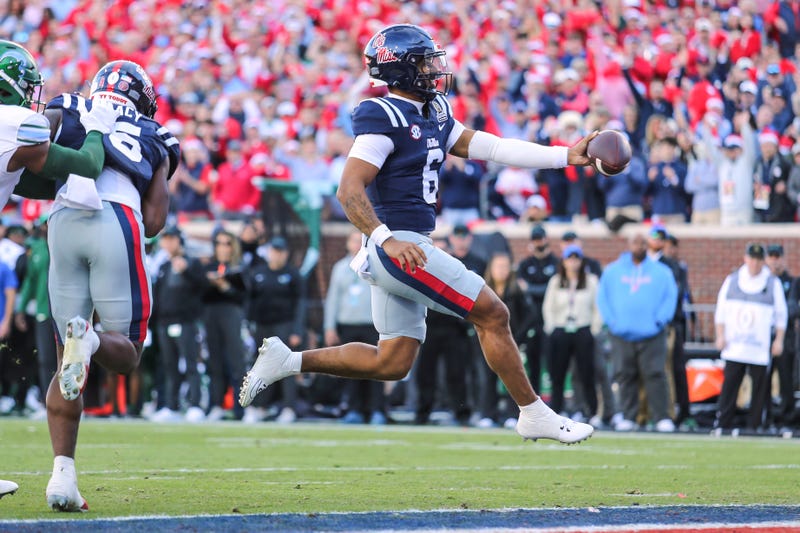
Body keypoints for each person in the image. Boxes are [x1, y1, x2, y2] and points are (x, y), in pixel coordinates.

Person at [240, 24, 595, 444]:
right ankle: (532, 412)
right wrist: (387, 238)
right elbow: (348, 189)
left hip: (401, 246)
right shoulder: (382, 115)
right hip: (397, 246)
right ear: (402, 69)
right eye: (426, 62)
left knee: (391, 362)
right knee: (493, 313)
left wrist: (565, 156)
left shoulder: (436, 112)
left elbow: (493, 148)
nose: (435, 69)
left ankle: (288, 360)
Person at [42, 59, 180, 512]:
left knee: (66, 362)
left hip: (62, 220)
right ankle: (93, 336)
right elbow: (156, 221)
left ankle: (63, 475)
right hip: (116, 218)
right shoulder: (154, 133)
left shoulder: (69, 104)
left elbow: (33, 145)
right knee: (125, 353)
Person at [0, 40, 118, 206]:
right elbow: (87, 168)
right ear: (5, 89)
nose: (30, 98)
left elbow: (25, 184)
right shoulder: (16, 123)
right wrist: (97, 128)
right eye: (28, 90)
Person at [597, 233, 678, 433]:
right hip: (621, 333)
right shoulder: (613, 270)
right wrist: (612, 322)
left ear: (647, 246)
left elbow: (670, 296)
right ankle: (628, 416)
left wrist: (661, 319)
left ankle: (661, 417)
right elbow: (602, 297)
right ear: (628, 245)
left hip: (652, 333)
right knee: (625, 375)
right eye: (635, 242)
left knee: (656, 374)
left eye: (643, 243)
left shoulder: (661, 272)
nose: (639, 246)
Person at [713, 243, 787, 434]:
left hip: (759, 346)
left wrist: (778, 340)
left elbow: (781, 315)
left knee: (760, 389)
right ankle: (722, 422)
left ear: (763, 262)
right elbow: (721, 311)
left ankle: (755, 425)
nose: (754, 263)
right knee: (730, 385)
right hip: (735, 344)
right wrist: (720, 335)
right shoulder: (733, 280)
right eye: (751, 259)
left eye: (758, 260)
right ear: (745, 259)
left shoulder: (772, 283)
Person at [242, 236, 307, 424]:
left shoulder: (293, 275)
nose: (277, 255)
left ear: (286, 253)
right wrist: (247, 325)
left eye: (280, 251)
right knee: (260, 367)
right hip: (262, 326)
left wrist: (297, 331)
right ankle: (260, 406)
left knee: (286, 365)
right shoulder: (258, 273)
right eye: (274, 251)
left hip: (284, 325)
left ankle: (289, 407)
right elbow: (249, 300)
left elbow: (300, 304)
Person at [324, 230, 384, 425]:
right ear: (347, 243)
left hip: (371, 324)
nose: (357, 244)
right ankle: (354, 409)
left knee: (376, 369)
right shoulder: (340, 268)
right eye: (354, 241)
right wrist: (329, 327)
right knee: (351, 370)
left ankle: (376, 409)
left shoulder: (376, 265)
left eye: (361, 241)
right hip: (348, 325)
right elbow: (332, 299)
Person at [151, 225, 207, 423]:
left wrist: (187, 271)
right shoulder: (164, 266)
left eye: (171, 239)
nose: (167, 243)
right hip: (165, 322)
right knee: (169, 366)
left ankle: (195, 405)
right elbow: (157, 296)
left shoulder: (192, 263)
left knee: (191, 364)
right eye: (165, 239)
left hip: (186, 322)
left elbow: (202, 287)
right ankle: (170, 405)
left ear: (178, 240)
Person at [542, 244, 602, 422]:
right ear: (564, 261)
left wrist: (593, 329)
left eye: (576, 259)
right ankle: (557, 410)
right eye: (570, 258)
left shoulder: (590, 281)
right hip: (561, 329)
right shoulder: (556, 280)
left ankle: (591, 411)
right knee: (558, 373)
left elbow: (597, 308)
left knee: (586, 374)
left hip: (582, 329)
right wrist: (552, 328)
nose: (573, 263)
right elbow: (548, 307)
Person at [516, 224, 558, 394]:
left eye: (540, 238)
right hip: (530, 321)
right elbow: (521, 288)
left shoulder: (556, 263)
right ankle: (535, 404)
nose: (538, 242)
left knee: (554, 365)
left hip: (550, 320)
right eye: (535, 239)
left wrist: (531, 288)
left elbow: (552, 289)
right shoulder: (525, 264)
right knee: (532, 365)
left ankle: (556, 406)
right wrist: (539, 289)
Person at [764, 244, 796, 430]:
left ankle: (787, 420)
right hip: (765, 338)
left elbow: (792, 308)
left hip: (786, 339)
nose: (774, 261)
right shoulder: (763, 283)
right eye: (771, 257)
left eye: (778, 257)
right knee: (763, 382)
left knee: (786, 381)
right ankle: (766, 418)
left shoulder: (792, 282)